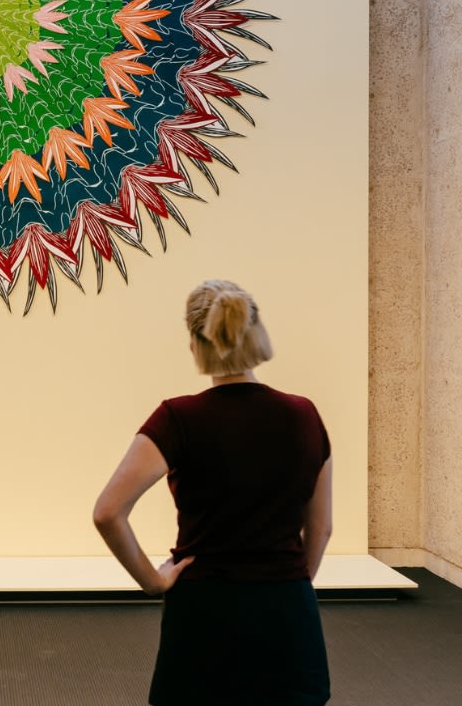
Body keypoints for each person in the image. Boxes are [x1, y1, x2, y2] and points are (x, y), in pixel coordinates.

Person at [93, 280, 332, 705]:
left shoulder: (178, 418)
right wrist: (292, 585)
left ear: (194, 344)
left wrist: (153, 582)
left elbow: (108, 512)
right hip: (288, 615)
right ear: (256, 332)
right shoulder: (304, 414)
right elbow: (321, 527)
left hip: (203, 615)